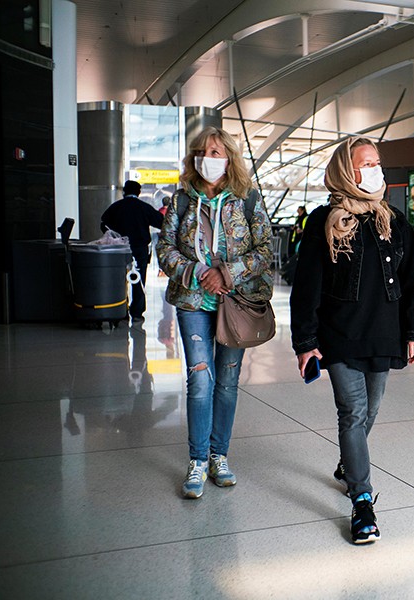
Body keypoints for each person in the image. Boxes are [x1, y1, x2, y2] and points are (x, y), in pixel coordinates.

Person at [290, 136, 414, 544]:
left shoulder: (395, 221)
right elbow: (306, 286)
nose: (374, 170)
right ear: (344, 171)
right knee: (352, 412)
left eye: (377, 162)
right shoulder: (325, 221)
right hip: (339, 334)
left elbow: (411, 282)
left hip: (383, 331)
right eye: (364, 163)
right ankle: (362, 499)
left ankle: (348, 463)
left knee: (371, 408)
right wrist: (305, 342)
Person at [156, 126, 273, 500]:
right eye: (205, 152)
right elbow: (164, 248)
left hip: (234, 302)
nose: (211, 158)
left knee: (227, 380)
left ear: (230, 159)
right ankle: (197, 461)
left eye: (218, 153)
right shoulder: (181, 201)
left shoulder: (248, 199)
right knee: (201, 380)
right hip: (193, 303)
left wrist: (227, 273)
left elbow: (265, 248)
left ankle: (219, 455)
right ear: (195, 157)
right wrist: (195, 273)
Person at [100, 180, 164, 323]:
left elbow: (103, 222)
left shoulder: (116, 207)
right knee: (139, 279)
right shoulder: (144, 208)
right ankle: (137, 312)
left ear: (124, 192)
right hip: (139, 249)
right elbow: (161, 221)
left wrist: (114, 236)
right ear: (138, 193)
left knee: (118, 279)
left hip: (119, 249)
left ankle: (120, 310)